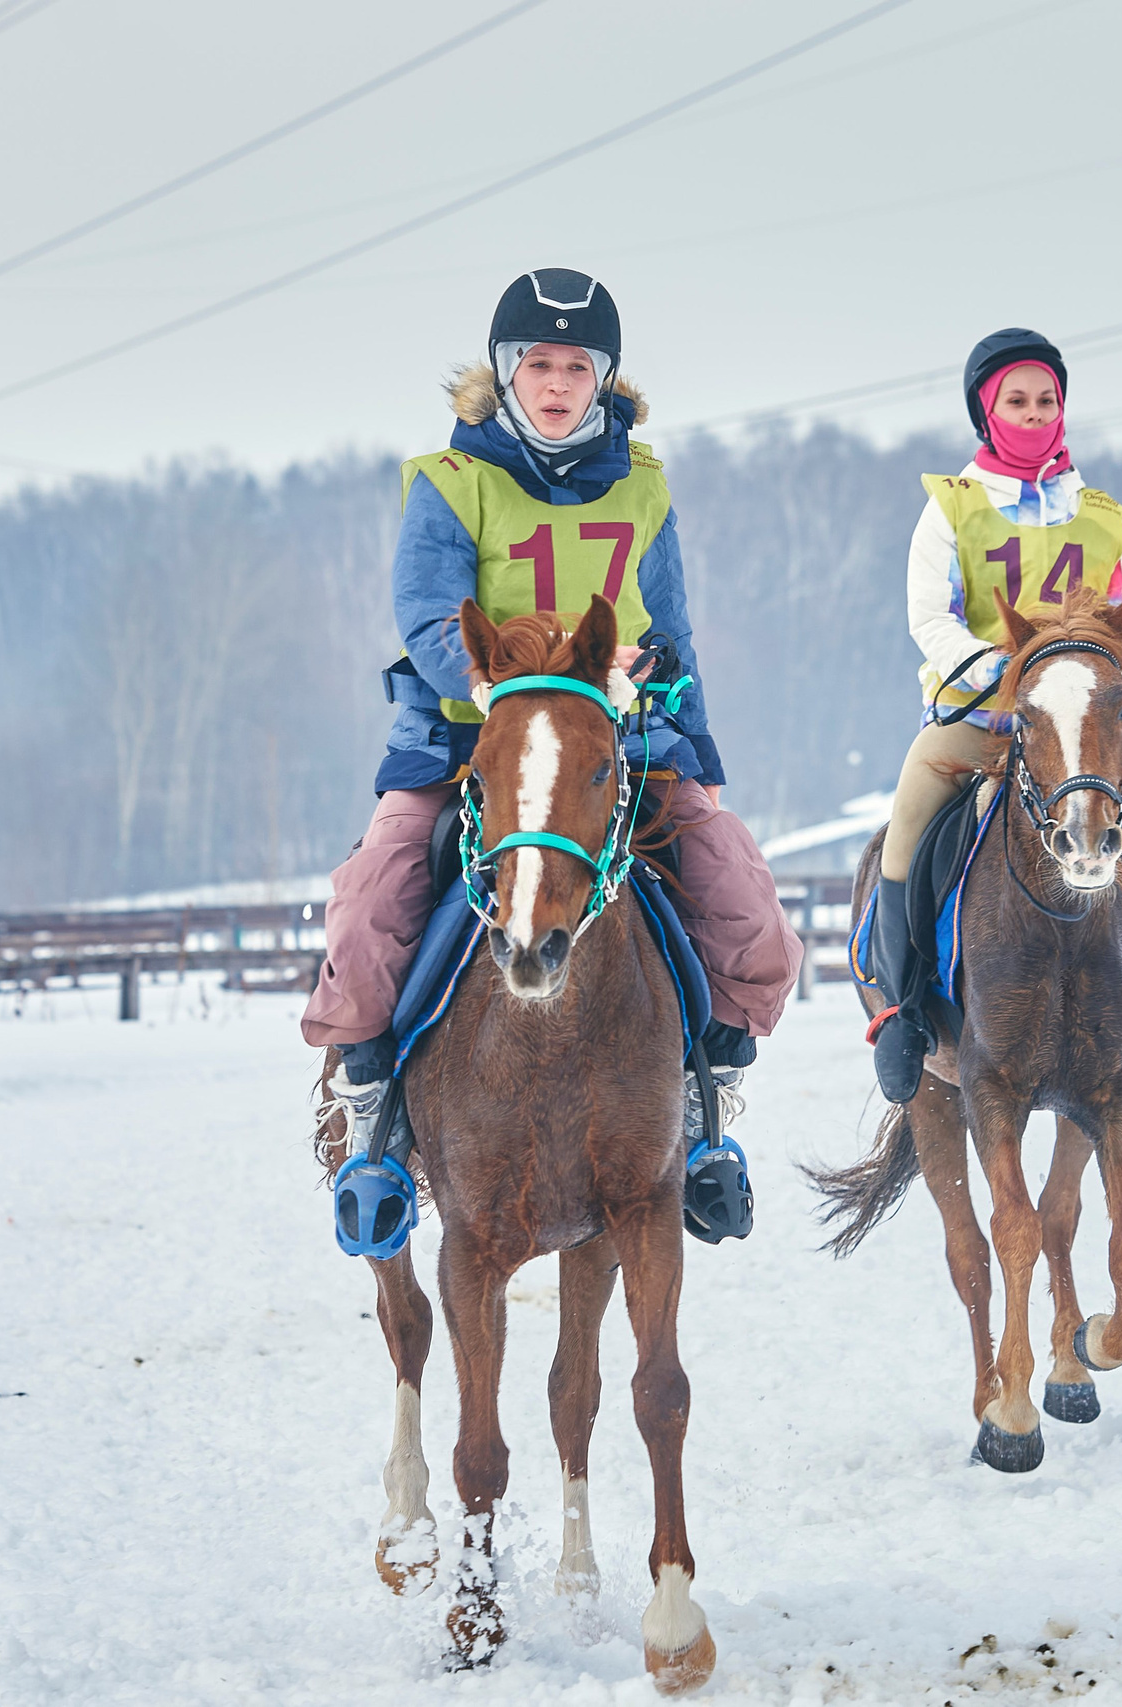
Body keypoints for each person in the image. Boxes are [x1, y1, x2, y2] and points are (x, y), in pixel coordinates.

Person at [303, 267, 802, 1225]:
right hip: (471, 741)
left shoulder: (644, 486)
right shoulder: (451, 484)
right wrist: (503, 690)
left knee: (741, 891)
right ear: (507, 373)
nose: (559, 383)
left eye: (579, 366)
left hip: (622, 738)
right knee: (375, 895)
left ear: (603, 378)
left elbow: (673, 625)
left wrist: (685, 737)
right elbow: (426, 618)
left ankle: (705, 1105)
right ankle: (374, 1116)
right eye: (540, 364)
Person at [864, 327, 1122, 1103]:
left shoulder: (1099, 514)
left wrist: (1096, 695)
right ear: (987, 413)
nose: (1033, 414)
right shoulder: (951, 509)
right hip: (981, 715)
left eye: (1046, 400)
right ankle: (903, 1008)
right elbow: (930, 617)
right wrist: (1008, 676)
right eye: (1016, 401)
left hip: (1080, 725)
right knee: (911, 812)